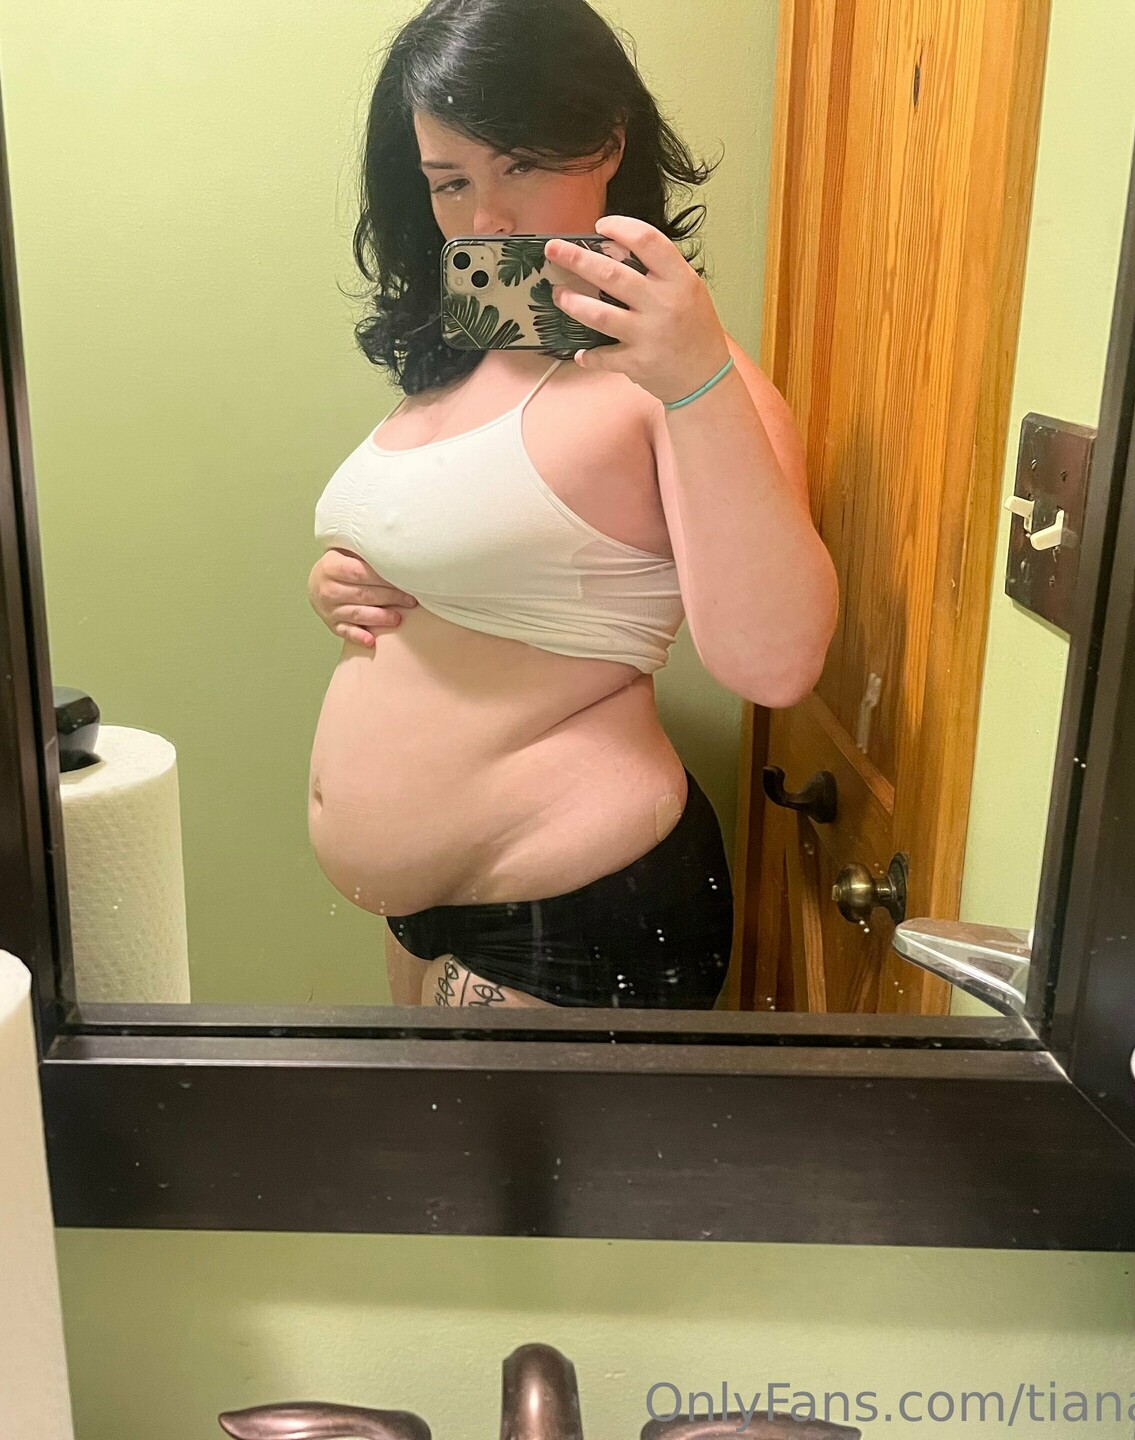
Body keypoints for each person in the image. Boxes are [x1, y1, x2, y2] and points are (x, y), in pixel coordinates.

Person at [307, 0, 836, 1010]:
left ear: (606, 140)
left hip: (575, 916)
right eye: (450, 182)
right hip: (435, 914)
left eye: (518, 163)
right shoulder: (467, 364)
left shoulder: (684, 381)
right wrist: (344, 583)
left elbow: (776, 664)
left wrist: (696, 378)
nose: (487, 220)